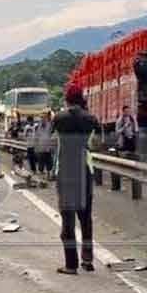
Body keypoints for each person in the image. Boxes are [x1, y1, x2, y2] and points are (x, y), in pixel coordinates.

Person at [52, 85, 101, 275]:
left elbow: (50, 141)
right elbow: (98, 143)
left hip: (65, 171)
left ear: (67, 99)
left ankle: (70, 265)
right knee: (86, 218)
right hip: (84, 170)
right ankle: (87, 259)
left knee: (68, 221)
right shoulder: (91, 119)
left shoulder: (59, 118)